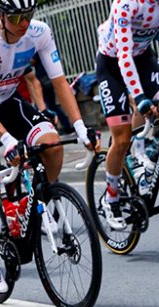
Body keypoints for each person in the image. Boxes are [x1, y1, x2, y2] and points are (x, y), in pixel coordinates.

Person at [0, 0, 98, 292]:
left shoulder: (40, 32)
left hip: (8, 102)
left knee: (52, 145)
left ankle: (44, 196)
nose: (24, 22)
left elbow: (60, 83)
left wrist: (81, 127)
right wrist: (8, 140)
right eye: (17, 16)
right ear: (0, 14)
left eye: (28, 15)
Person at [95, 0, 159, 229]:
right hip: (112, 64)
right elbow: (124, 55)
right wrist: (139, 96)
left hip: (143, 59)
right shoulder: (126, 5)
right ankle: (111, 197)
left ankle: (145, 151)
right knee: (121, 139)